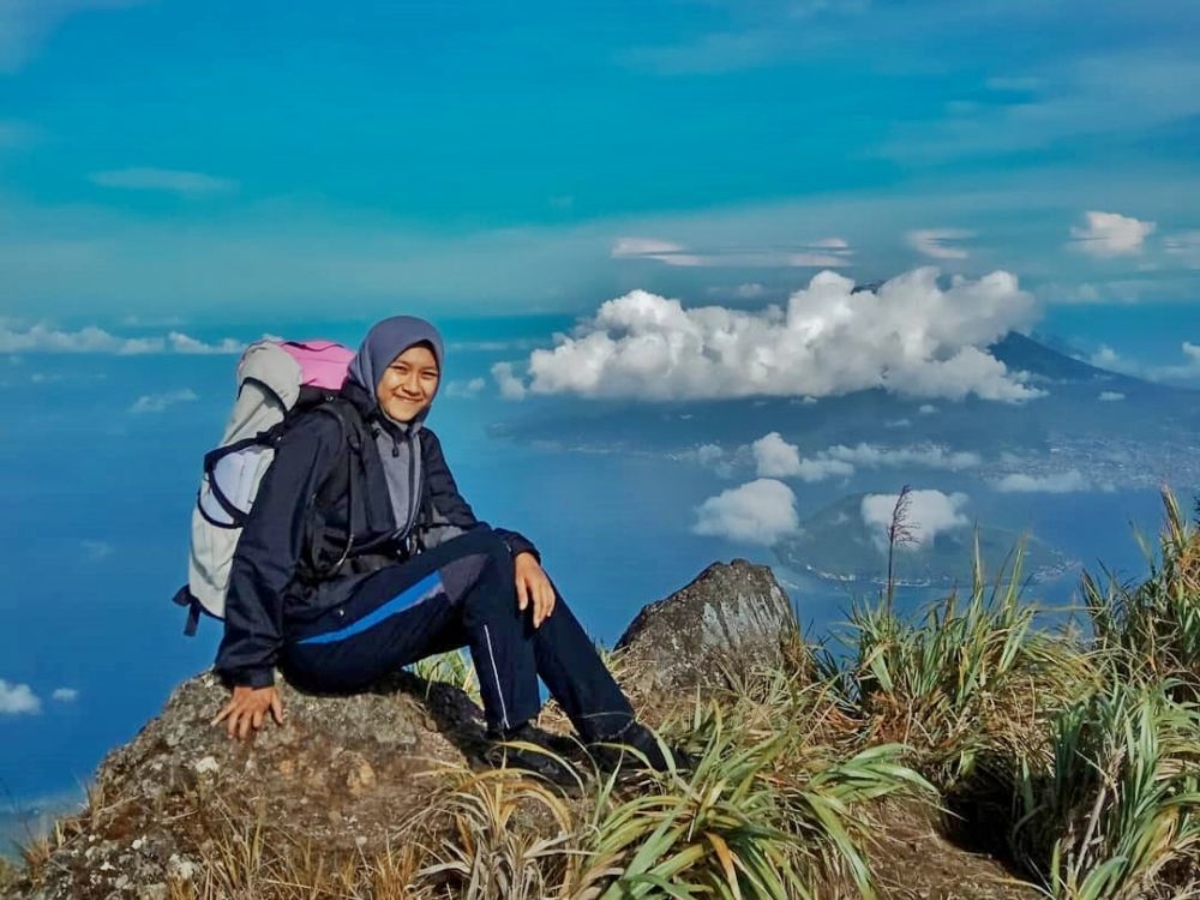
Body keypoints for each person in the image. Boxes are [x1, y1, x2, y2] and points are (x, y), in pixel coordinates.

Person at [211, 316, 671, 781]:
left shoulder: (421, 446)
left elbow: (458, 529)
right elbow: (265, 545)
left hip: (374, 611)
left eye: (427, 375)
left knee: (516, 576)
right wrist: (251, 669)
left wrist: (522, 554)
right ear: (373, 367)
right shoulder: (324, 435)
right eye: (400, 369)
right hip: (320, 636)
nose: (413, 386)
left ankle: (617, 735)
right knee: (491, 557)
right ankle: (513, 737)